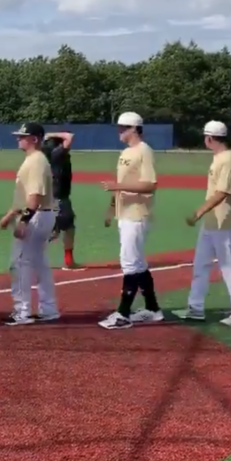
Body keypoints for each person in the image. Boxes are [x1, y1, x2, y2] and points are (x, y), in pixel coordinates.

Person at [177, 121, 231, 326]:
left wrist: (199, 212)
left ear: (209, 138)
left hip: (225, 221)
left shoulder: (227, 159)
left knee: (229, 266)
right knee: (201, 264)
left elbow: (223, 192)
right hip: (213, 222)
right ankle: (195, 308)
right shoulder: (221, 159)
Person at [98, 112, 162, 330]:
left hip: (137, 213)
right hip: (124, 213)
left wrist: (117, 187)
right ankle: (153, 309)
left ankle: (123, 314)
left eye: (122, 128)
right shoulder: (126, 152)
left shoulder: (144, 151)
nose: (119, 131)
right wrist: (111, 207)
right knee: (138, 263)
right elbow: (122, 182)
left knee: (129, 263)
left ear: (134, 129)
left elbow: (150, 184)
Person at [0, 123, 59, 325]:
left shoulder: (36, 161)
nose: (18, 139)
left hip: (37, 216)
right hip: (42, 214)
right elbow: (25, 196)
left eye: (22, 136)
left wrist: (24, 220)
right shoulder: (35, 160)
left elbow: (34, 196)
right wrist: (10, 214)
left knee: (20, 263)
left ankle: (22, 311)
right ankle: (48, 309)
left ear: (34, 139)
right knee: (40, 264)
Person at [43, 131, 81, 270]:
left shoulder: (51, 155)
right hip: (58, 198)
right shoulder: (57, 155)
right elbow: (70, 136)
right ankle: (27, 258)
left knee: (64, 228)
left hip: (58, 197)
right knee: (58, 230)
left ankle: (68, 260)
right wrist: (52, 134)